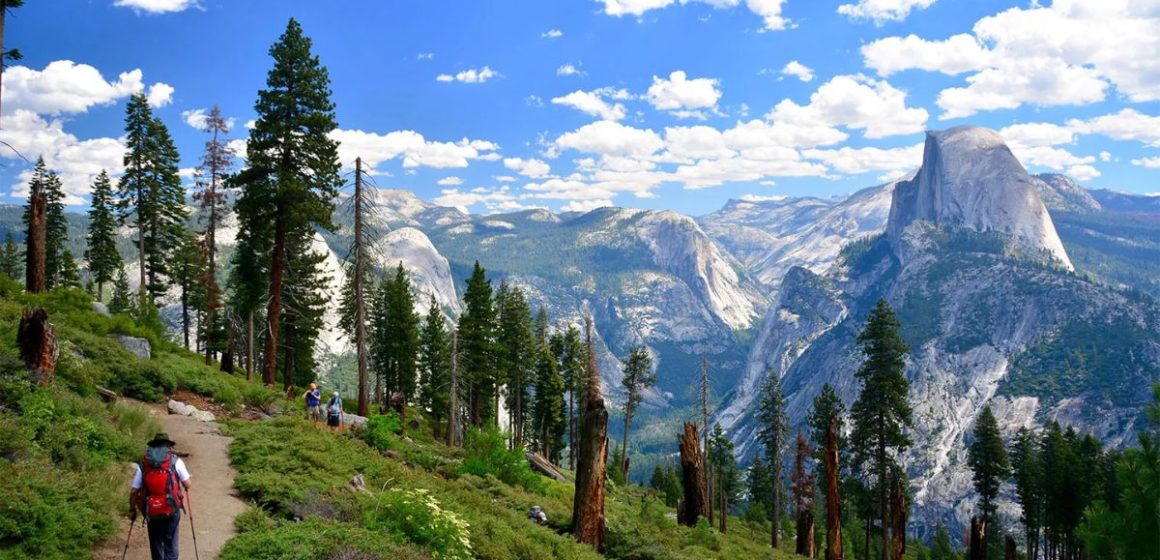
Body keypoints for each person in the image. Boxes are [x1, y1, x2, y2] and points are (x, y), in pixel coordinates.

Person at [130, 432, 191, 560]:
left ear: (153, 446)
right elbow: (187, 483)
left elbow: (134, 490)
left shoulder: (144, 463)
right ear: (168, 446)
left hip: (151, 509)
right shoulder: (175, 460)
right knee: (170, 542)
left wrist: (132, 509)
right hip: (171, 506)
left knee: (156, 541)